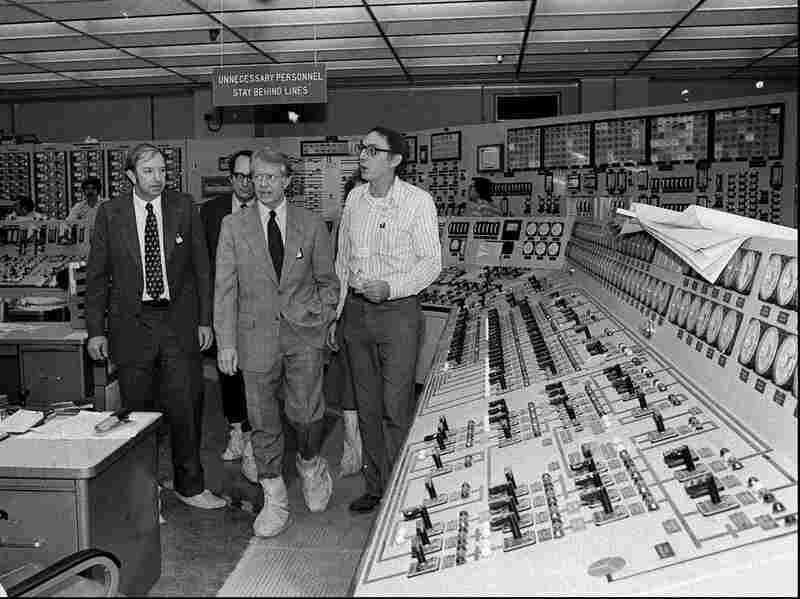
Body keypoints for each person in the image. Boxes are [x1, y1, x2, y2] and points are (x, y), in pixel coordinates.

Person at [85, 142, 226, 511]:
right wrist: (95, 330)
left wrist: (205, 320)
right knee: (136, 415)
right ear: (131, 175)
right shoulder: (111, 213)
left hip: (178, 323)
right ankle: (144, 497)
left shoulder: (183, 207)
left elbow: (201, 268)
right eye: (149, 171)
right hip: (131, 326)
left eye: (162, 170)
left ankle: (190, 486)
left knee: (187, 407)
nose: (158, 177)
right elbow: (97, 276)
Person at [214, 148, 340, 537]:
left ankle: (310, 463)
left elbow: (328, 283)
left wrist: (319, 320)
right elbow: (225, 289)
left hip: (303, 336)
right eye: (257, 176)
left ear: (287, 180)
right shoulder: (233, 226)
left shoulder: (311, 224)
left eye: (271, 177)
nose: (263, 184)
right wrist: (226, 342)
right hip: (254, 338)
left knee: (307, 414)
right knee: (263, 419)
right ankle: (274, 496)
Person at [329, 126, 442, 513]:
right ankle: (376, 486)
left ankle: (399, 489)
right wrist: (337, 314)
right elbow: (343, 261)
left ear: (395, 160)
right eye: (362, 148)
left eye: (373, 151)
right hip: (357, 313)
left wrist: (390, 288)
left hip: (398, 313)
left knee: (396, 406)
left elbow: (431, 264)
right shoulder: (354, 199)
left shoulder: (417, 202)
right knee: (367, 406)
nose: (363, 156)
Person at [200, 150, 256, 482]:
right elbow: (201, 267)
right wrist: (205, 318)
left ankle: (255, 438)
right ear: (230, 178)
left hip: (260, 313)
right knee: (229, 374)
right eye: (240, 176)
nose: (246, 183)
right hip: (225, 310)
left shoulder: (271, 210)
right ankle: (237, 431)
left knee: (258, 376)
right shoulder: (210, 213)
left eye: (252, 176)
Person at [332, 169, 365, 478]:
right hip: (349, 311)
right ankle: (351, 445)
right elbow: (338, 274)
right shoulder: (342, 229)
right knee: (349, 381)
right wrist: (335, 317)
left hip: (383, 313)